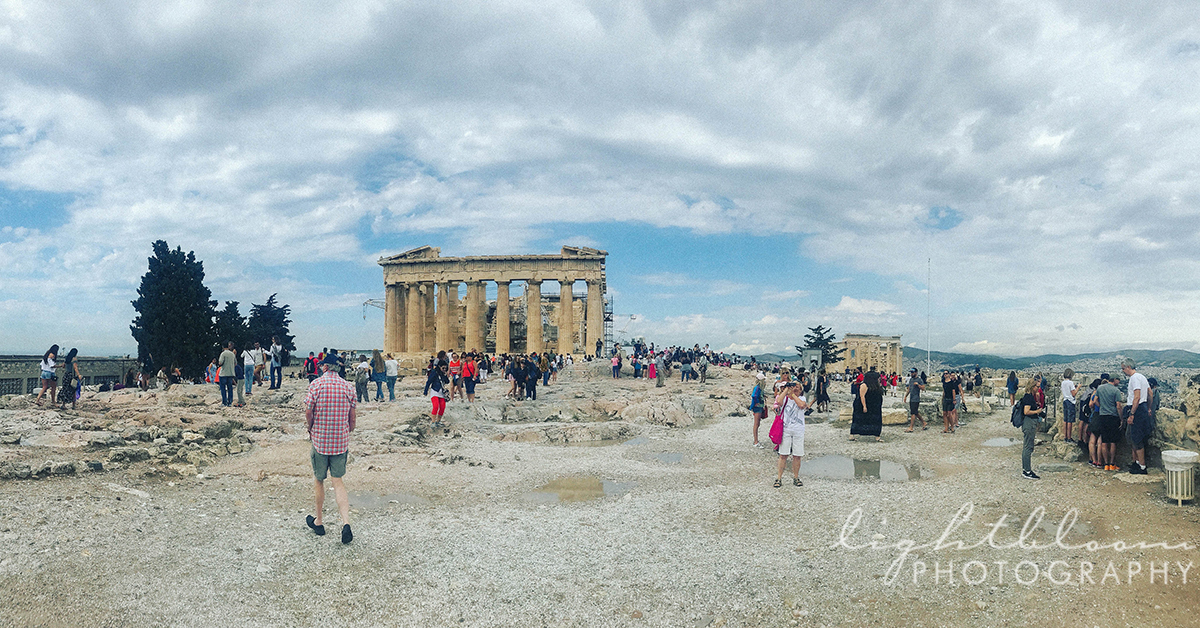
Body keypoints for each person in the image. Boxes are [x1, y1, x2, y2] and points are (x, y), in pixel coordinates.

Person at [304, 356, 357, 545]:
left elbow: (309, 411)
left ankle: (319, 521)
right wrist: (348, 429)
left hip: (320, 440)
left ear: (325, 367)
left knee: (319, 480)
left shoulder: (316, 385)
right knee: (338, 482)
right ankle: (346, 522)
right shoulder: (348, 387)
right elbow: (352, 417)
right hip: (340, 442)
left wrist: (310, 427)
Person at [773, 381, 808, 487]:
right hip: (786, 429)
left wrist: (792, 394)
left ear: (801, 390)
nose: (795, 388)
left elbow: (801, 405)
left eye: (797, 387)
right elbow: (778, 401)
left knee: (797, 455)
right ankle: (779, 478)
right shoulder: (785, 399)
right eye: (794, 387)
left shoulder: (802, 398)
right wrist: (786, 391)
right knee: (783, 455)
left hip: (798, 430)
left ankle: (796, 477)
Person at [1122, 360, 1151, 475]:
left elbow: (1137, 397)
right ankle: (1137, 463)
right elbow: (1150, 394)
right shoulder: (1142, 377)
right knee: (1133, 437)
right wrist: (1149, 408)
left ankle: (1142, 466)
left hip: (1136, 409)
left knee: (1136, 438)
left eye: (1123, 368)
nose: (1123, 371)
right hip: (1143, 407)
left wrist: (1132, 414)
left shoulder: (1134, 378)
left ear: (1128, 367)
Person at [1092, 373, 1122, 470]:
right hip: (1113, 416)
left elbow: (1095, 400)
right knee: (1113, 441)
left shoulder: (1100, 388)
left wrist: (1101, 407)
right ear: (1115, 380)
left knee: (1104, 441)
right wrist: (1121, 418)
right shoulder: (1116, 390)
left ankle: (1106, 464)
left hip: (1103, 416)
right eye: (1118, 380)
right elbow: (1118, 405)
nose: (1119, 382)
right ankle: (1112, 464)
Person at [1018, 376, 1045, 480]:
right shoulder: (1029, 397)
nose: (1038, 388)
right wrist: (1037, 411)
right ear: (1032, 386)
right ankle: (1027, 471)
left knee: (1028, 446)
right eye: (1037, 387)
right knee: (1028, 447)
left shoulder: (1029, 396)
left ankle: (1027, 469)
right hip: (1029, 423)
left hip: (1029, 423)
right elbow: (1026, 411)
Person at [850, 370, 883, 442]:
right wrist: (864, 406)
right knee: (858, 419)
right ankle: (852, 435)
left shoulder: (876, 385)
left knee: (876, 420)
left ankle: (877, 436)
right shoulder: (864, 385)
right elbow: (862, 396)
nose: (879, 379)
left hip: (874, 406)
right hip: (863, 405)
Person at [424, 361, 449, 425]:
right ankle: (433, 422)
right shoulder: (434, 373)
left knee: (442, 407)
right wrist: (425, 391)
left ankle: (438, 421)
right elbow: (429, 381)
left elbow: (447, 381)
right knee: (435, 406)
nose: (444, 369)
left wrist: (445, 375)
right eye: (443, 368)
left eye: (445, 368)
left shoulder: (443, 374)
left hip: (441, 392)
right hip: (434, 391)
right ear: (439, 367)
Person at [903, 367, 926, 432]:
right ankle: (924, 422)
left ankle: (911, 427)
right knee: (915, 412)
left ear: (916, 372)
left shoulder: (919, 380)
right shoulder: (911, 380)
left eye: (912, 372)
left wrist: (918, 385)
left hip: (916, 398)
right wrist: (905, 396)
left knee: (913, 413)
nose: (911, 374)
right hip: (911, 398)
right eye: (911, 372)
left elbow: (923, 388)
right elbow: (909, 389)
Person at [749, 372, 767, 448]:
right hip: (758, 407)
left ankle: (756, 440)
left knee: (757, 423)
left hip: (758, 406)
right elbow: (754, 396)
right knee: (756, 424)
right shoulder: (758, 387)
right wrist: (758, 402)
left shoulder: (758, 387)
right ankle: (756, 441)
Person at [1060, 368, 1078, 443]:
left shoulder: (1063, 382)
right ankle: (1069, 437)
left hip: (1065, 400)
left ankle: (1065, 437)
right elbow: (1073, 393)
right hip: (1071, 401)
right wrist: (1078, 387)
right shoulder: (1070, 383)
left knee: (1065, 420)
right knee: (1070, 420)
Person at [218, 341, 237, 407]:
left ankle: (224, 402)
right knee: (230, 388)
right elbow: (235, 363)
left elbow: (220, 362)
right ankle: (230, 402)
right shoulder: (232, 354)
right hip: (231, 373)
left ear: (223, 347)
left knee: (223, 388)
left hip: (223, 373)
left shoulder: (223, 354)